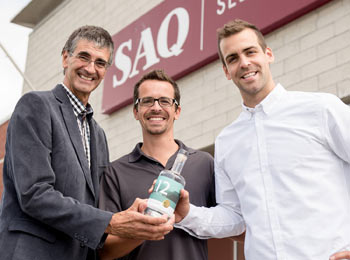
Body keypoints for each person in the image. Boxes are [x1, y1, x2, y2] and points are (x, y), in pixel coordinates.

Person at [174, 19, 350, 260]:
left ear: (268, 54)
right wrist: (187, 214)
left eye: (250, 52)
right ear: (226, 71)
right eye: (233, 58)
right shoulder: (227, 141)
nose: (244, 63)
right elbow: (234, 217)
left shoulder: (322, 108)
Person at [0, 26, 173, 260]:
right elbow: (34, 193)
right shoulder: (36, 105)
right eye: (84, 57)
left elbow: (93, 206)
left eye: (100, 63)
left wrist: (130, 216)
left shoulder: (98, 134)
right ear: (65, 57)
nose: (90, 69)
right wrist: (111, 221)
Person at [98, 69, 217, 260]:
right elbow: (104, 252)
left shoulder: (204, 163)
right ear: (136, 112)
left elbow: (229, 225)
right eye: (147, 101)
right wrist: (144, 229)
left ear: (177, 111)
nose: (156, 107)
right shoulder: (115, 172)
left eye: (164, 101)